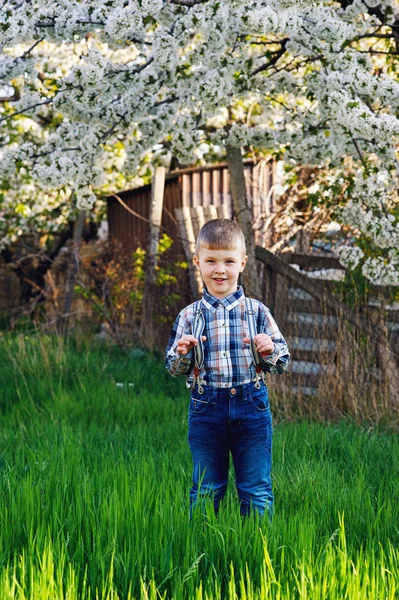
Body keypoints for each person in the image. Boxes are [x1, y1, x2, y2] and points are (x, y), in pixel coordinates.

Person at [165, 219, 289, 519]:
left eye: (229, 261)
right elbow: (172, 366)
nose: (220, 269)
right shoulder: (189, 316)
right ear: (198, 262)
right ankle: (203, 552)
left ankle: (259, 554)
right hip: (207, 408)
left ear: (242, 263)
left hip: (252, 407)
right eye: (211, 261)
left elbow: (282, 361)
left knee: (256, 488)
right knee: (206, 487)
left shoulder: (258, 312)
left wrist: (269, 350)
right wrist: (183, 353)